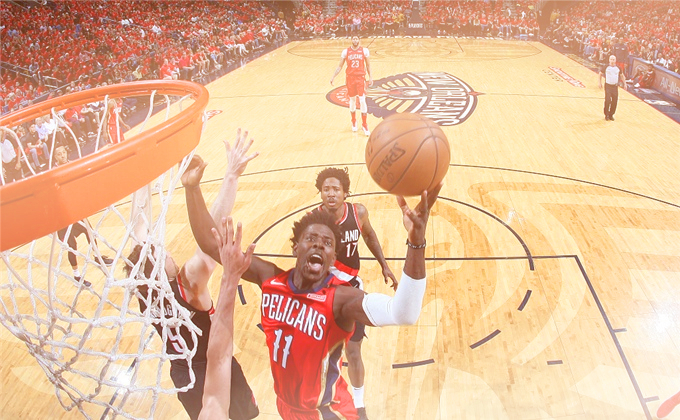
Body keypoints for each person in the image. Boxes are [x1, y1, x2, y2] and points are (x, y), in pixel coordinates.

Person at [187, 165, 441, 420]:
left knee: (354, 352)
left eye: (328, 243)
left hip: (328, 412)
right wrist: (192, 187)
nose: (319, 244)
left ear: (332, 257)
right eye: (311, 239)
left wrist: (416, 241)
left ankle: (360, 403)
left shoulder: (341, 300)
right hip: (287, 408)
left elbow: (404, 313)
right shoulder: (270, 279)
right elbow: (210, 244)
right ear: (295, 248)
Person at [125, 130, 260, 420]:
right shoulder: (187, 286)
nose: (168, 252)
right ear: (160, 270)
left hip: (182, 374)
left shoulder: (144, 289)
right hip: (214, 369)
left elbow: (139, 230)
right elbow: (210, 240)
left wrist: (142, 174)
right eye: (163, 255)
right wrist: (231, 176)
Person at [311, 167, 396, 420]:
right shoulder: (313, 220)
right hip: (324, 294)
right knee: (322, 354)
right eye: (326, 189)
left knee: (354, 351)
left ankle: (359, 405)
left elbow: (369, 235)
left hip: (351, 291)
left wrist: (384, 265)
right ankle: (321, 401)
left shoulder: (358, 213)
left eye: (336, 189)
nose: (331, 193)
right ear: (320, 193)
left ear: (345, 193)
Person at [330, 35, 373, 136]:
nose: (355, 40)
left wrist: (371, 77)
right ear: (351, 40)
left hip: (360, 78)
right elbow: (340, 66)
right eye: (353, 39)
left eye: (357, 39)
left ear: (359, 40)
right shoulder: (346, 52)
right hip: (350, 78)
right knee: (352, 100)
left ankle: (364, 124)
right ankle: (354, 121)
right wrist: (333, 76)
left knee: (362, 100)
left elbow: (368, 65)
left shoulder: (364, 51)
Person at [599, 54, 627, 121]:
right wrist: (599, 82)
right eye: (611, 59)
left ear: (615, 60)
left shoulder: (618, 68)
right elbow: (600, 74)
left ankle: (611, 114)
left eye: (613, 59)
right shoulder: (606, 67)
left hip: (615, 86)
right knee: (608, 100)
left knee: (614, 101)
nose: (612, 61)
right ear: (609, 60)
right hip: (608, 86)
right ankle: (606, 114)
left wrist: (625, 84)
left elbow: (622, 76)